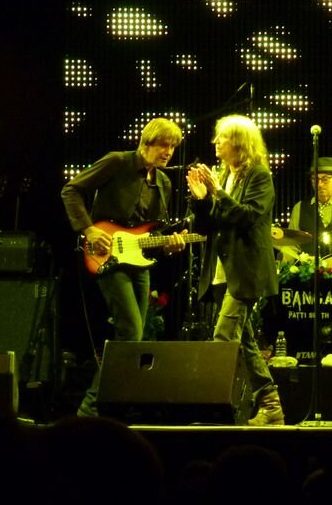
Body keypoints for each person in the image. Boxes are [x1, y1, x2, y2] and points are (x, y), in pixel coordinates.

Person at [61, 117, 187, 417]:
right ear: (147, 142)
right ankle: (90, 409)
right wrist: (89, 229)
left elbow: (152, 232)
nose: (168, 152)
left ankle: (113, 406)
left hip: (138, 261)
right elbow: (71, 190)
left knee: (135, 337)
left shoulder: (163, 182)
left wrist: (169, 244)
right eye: (163, 145)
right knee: (130, 329)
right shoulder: (118, 162)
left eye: (172, 147)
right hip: (107, 255)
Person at [187, 114, 285, 426]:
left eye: (223, 137)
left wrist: (218, 192)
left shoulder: (259, 176)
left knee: (224, 337)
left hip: (246, 271)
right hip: (220, 270)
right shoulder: (222, 176)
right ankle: (271, 405)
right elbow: (206, 227)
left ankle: (213, 408)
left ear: (240, 143)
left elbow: (247, 217)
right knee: (244, 342)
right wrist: (201, 201)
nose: (215, 142)